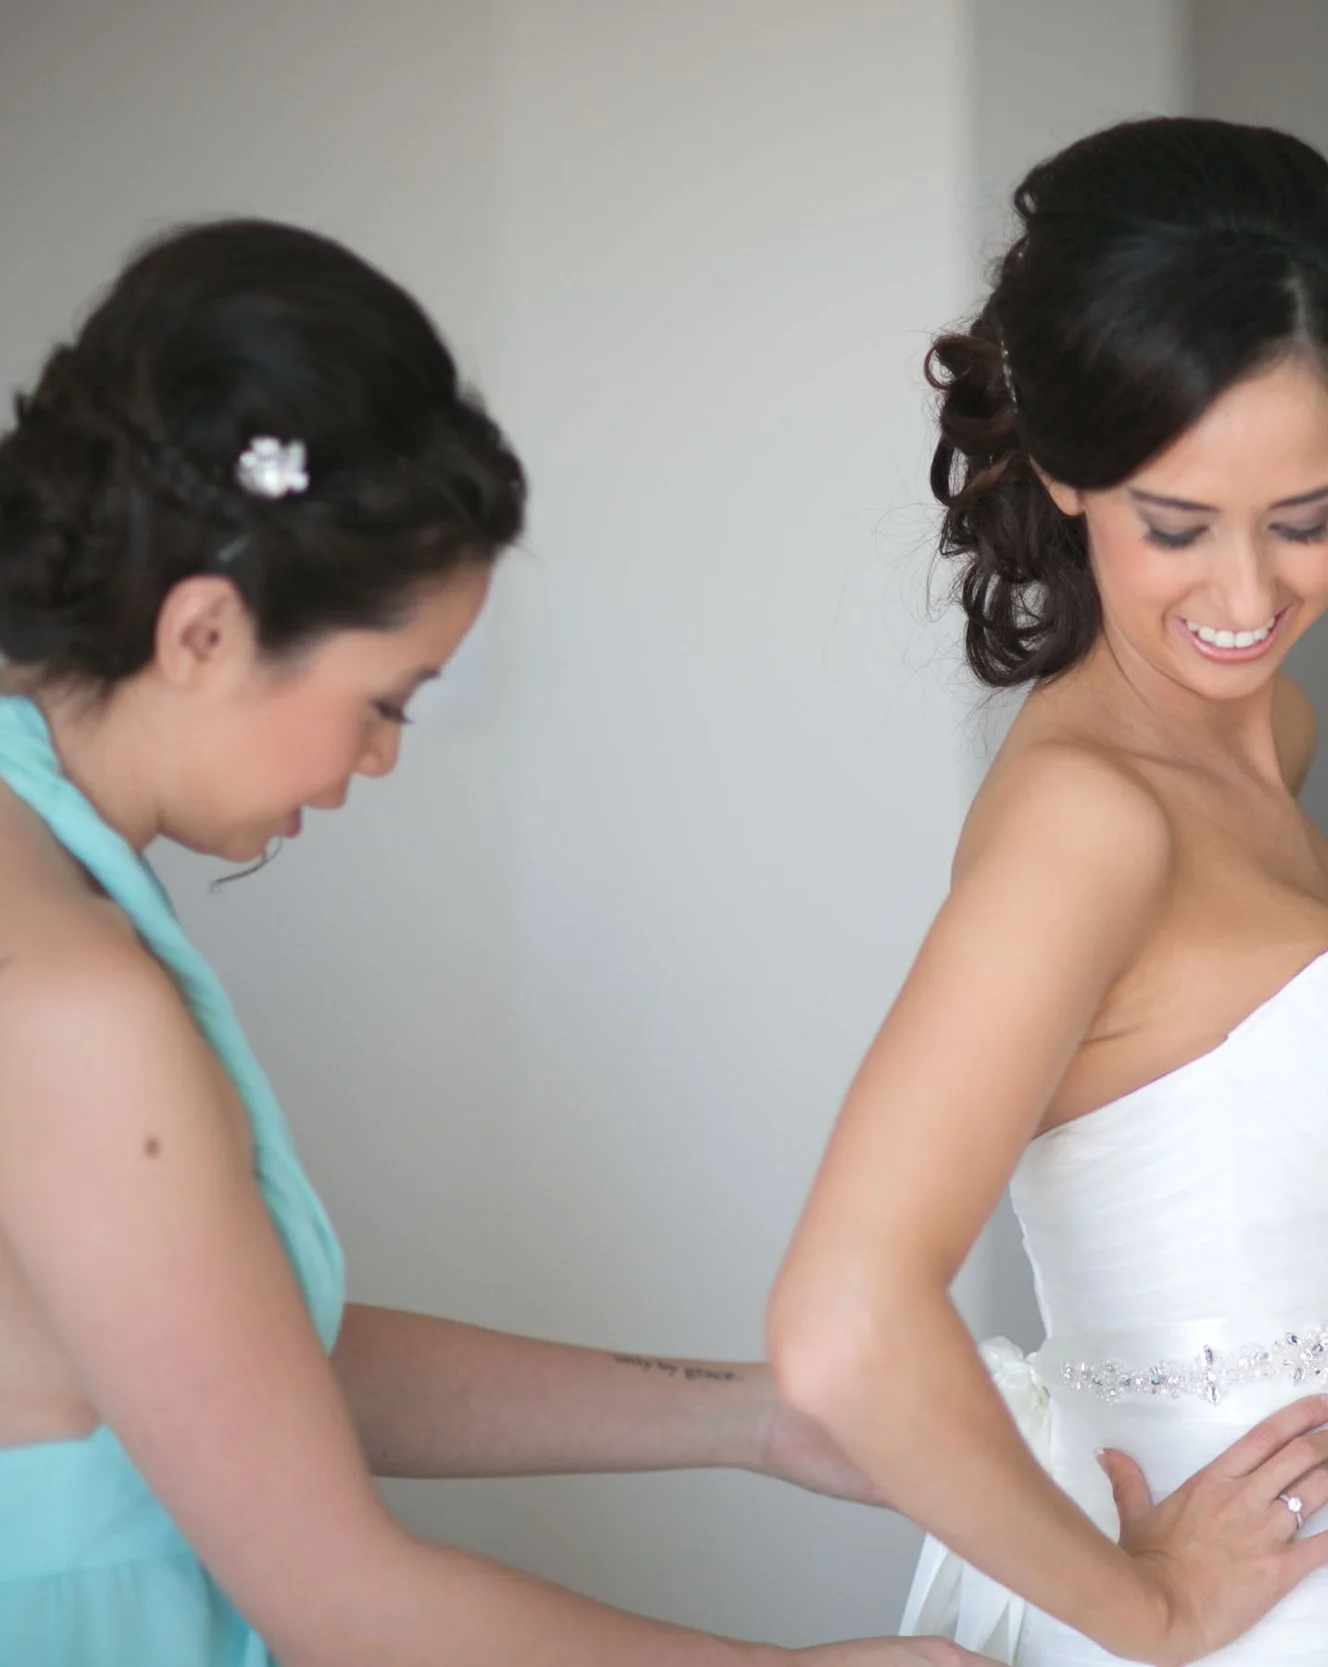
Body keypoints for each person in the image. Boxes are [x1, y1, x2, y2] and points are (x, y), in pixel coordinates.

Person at [0, 218, 986, 1667]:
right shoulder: (75, 999)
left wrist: (766, 1412)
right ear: (203, 631)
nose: (385, 756)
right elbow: (343, 1601)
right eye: (388, 696)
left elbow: (241, 1370)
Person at [768, 117, 1328, 1667]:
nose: (1249, 599)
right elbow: (842, 1320)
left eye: (1306, 519)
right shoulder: (1088, 819)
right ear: (1064, 470)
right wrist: (1148, 1609)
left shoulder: (1267, 739)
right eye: (1176, 526)